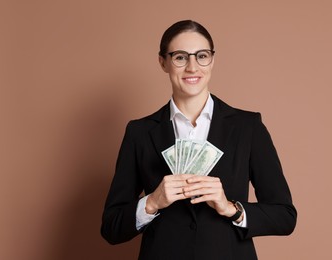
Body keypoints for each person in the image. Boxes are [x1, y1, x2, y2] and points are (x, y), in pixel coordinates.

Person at [101, 20, 297, 260]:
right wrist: (152, 202)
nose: (192, 67)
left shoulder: (248, 127)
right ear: (163, 62)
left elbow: (285, 216)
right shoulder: (139, 132)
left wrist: (230, 208)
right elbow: (111, 228)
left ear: (212, 60)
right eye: (180, 57)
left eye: (202, 56)